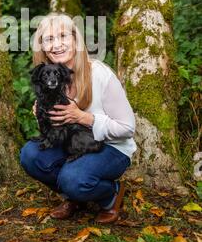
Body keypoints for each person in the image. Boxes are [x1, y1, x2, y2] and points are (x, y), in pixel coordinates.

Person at [20, 12, 137, 223]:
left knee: (73, 178)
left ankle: (110, 195)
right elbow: (56, 129)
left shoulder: (100, 74)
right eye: (49, 39)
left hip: (111, 147)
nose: (57, 45)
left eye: (63, 36)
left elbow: (127, 128)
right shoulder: (51, 79)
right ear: (43, 47)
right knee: (31, 155)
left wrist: (83, 117)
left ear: (75, 39)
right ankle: (73, 196)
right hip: (71, 144)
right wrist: (42, 114)